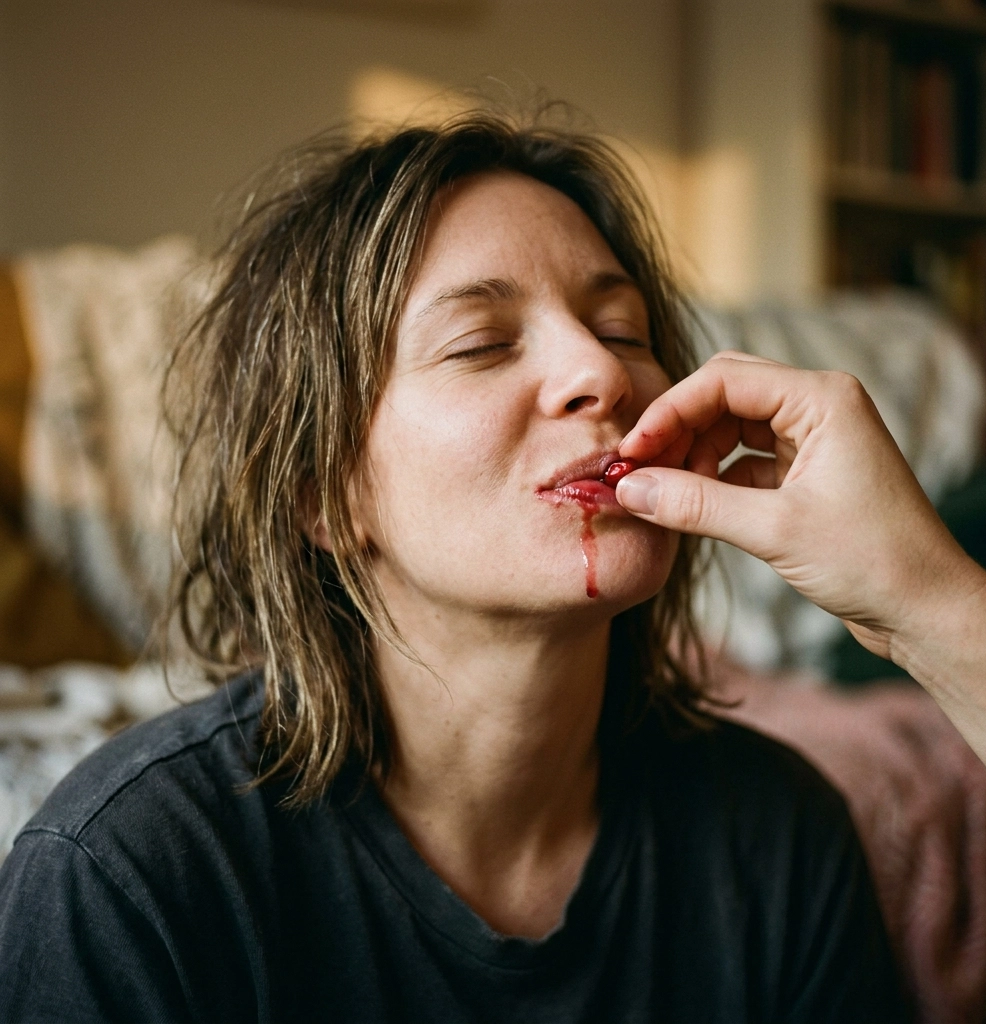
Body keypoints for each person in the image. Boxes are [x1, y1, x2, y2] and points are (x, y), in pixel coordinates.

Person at [0, 113, 907, 1022]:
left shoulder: (782, 834)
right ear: (323, 493)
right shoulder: (125, 877)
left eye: (623, 329)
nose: (601, 369)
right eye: (481, 342)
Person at [613, 351, 986, 813]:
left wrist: (921, 602)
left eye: (618, 333)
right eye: (508, 343)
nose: (600, 369)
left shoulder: (793, 824)